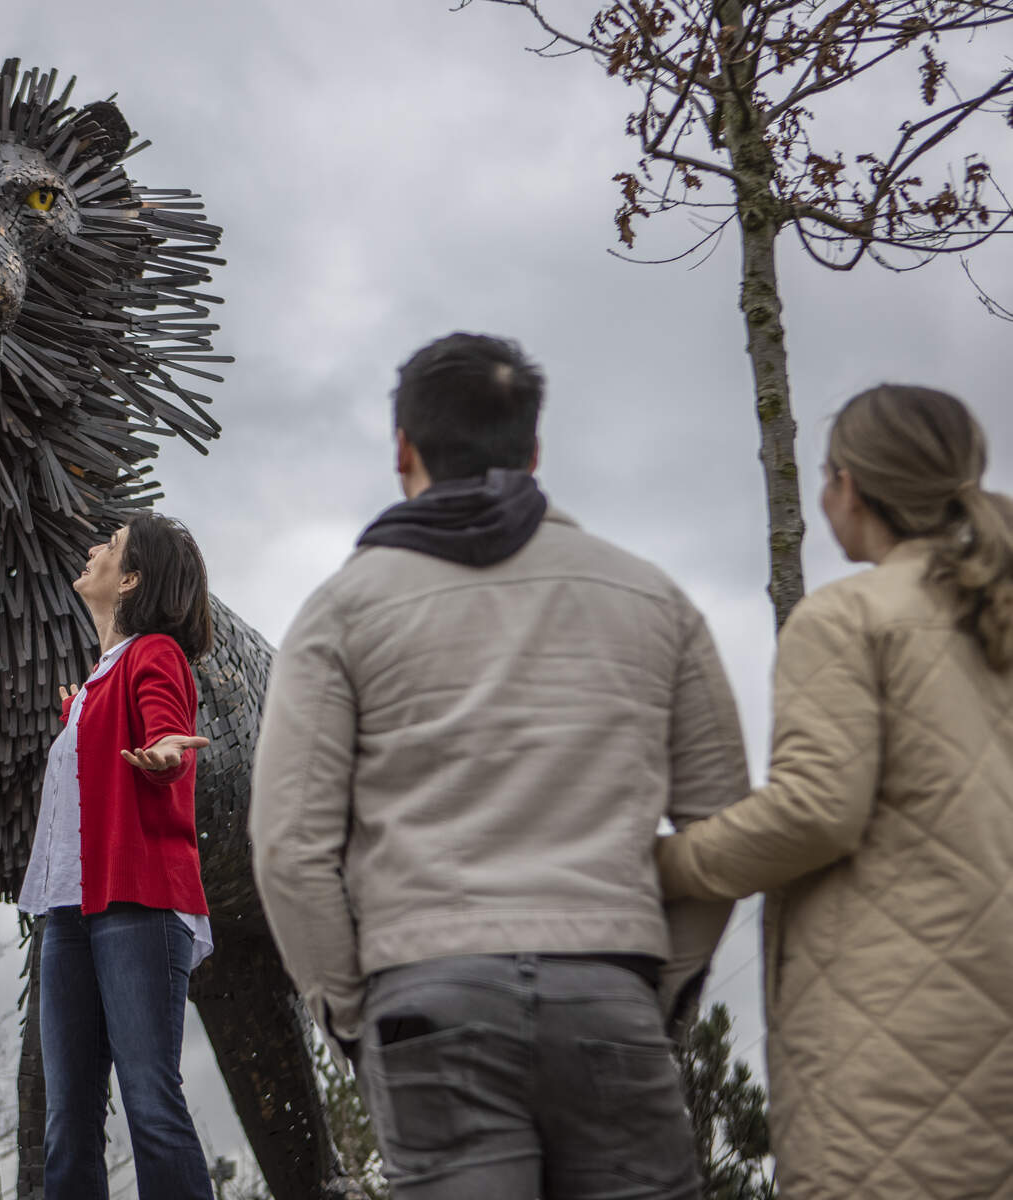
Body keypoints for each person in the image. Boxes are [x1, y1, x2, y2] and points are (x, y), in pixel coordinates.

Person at [250, 332, 750, 1199]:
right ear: (533, 448)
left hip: (424, 998)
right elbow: (724, 830)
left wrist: (352, 1015)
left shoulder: (341, 610)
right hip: (610, 990)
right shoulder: (651, 597)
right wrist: (656, 990)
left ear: (402, 449)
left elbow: (289, 848)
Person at [657, 385, 1013, 1200]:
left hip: (901, 1040)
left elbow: (815, 811)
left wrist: (664, 863)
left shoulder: (848, 617)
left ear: (846, 487)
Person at [18, 512, 217, 1200]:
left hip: (135, 903)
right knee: (67, 1120)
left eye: (113, 547)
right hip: (67, 912)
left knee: (149, 1104)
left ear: (130, 579)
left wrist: (164, 752)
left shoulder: (152, 653)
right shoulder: (94, 680)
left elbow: (167, 726)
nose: (95, 549)